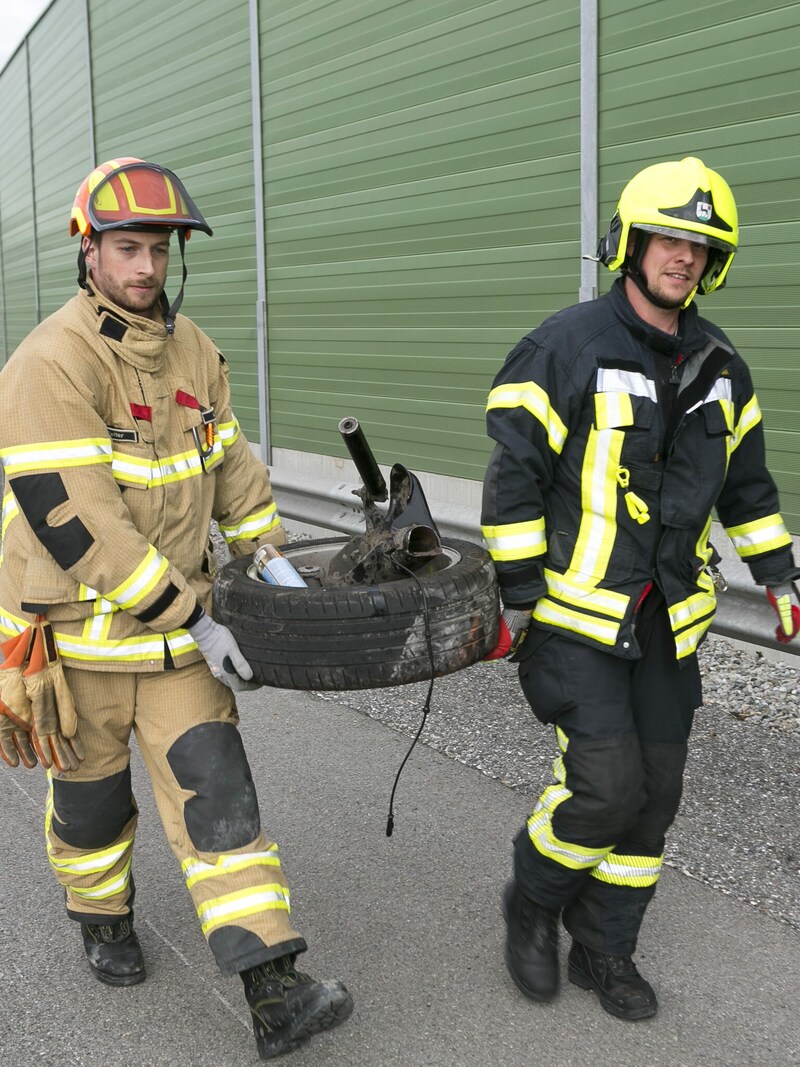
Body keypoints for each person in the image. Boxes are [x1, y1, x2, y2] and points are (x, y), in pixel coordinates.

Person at [0, 157, 353, 1060]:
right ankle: (101, 916)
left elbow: (233, 470)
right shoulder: (49, 362)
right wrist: (192, 611)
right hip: (78, 647)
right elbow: (81, 521)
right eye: (127, 248)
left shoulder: (193, 349)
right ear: (90, 251)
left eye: (158, 249)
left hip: (176, 655)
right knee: (89, 812)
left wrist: (275, 569)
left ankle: (275, 988)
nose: (146, 268)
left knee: (221, 805)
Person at [480, 156, 800, 1021]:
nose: (683, 256)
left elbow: (748, 488)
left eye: (700, 244)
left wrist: (778, 575)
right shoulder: (565, 345)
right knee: (606, 785)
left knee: (654, 798)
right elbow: (513, 475)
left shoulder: (723, 366)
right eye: (668, 236)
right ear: (629, 242)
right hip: (573, 618)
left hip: (669, 625)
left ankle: (605, 944)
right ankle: (534, 900)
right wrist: (514, 594)